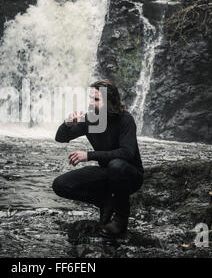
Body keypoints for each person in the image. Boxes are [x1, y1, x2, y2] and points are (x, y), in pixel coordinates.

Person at [52, 79, 144, 236]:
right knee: (60, 184)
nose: (91, 103)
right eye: (90, 98)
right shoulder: (91, 119)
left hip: (130, 175)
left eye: (96, 99)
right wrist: (67, 124)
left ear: (110, 101)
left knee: (116, 165)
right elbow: (60, 138)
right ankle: (105, 201)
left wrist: (89, 155)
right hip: (106, 172)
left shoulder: (125, 119)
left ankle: (121, 218)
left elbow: (127, 153)